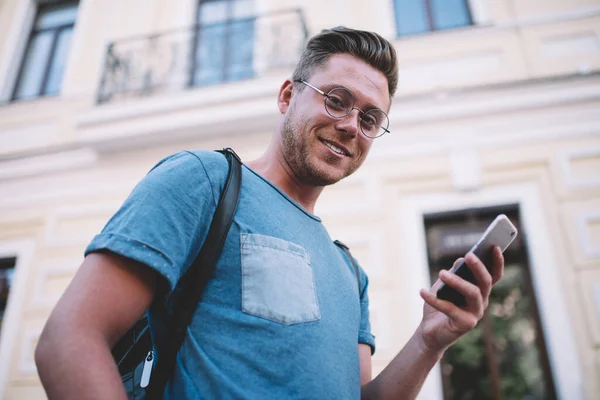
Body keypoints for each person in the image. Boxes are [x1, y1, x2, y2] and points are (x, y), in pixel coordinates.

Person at [35, 26, 504, 399]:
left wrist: (429, 340)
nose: (349, 126)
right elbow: (70, 339)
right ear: (287, 96)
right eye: (336, 99)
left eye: (369, 118)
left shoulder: (349, 273)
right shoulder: (203, 180)